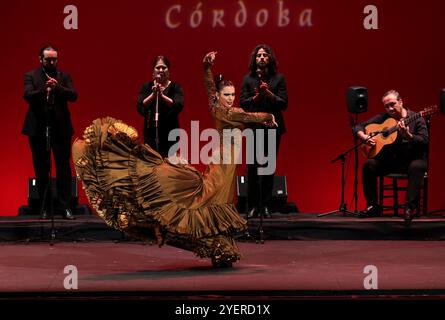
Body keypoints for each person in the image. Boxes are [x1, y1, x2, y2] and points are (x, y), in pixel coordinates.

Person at [72, 51, 276, 267]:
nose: (230, 98)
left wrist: (207, 68)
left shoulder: (218, 106)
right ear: (219, 95)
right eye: (226, 94)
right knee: (212, 198)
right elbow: (250, 117)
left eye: (232, 94)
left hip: (225, 162)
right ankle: (213, 243)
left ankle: (217, 246)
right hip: (223, 165)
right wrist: (269, 117)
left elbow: (209, 89)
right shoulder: (226, 112)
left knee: (215, 199)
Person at [353, 90, 428, 222]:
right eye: (386, 106)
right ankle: (373, 207)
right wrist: (363, 136)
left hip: (411, 160)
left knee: (417, 166)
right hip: (391, 161)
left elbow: (424, 141)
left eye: (393, 104)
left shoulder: (417, 118)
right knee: (369, 165)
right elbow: (358, 126)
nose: (390, 108)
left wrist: (409, 136)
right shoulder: (384, 118)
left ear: (401, 102)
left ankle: (409, 208)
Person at [22, 44, 77, 220]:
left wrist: (57, 88)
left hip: (61, 128)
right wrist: (43, 90)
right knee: (41, 168)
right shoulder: (31, 75)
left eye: (54, 59)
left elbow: (73, 95)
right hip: (37, 128)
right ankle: (44, 207)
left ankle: (65, 206)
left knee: (63, 168)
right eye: (48, 59)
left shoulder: (64, 76)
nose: (52, 62)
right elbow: (27, 96)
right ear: (41, 60)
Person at [240, 44, 288, 219]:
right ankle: (252, 206)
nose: (261, 58)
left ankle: (265, 205)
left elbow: (284, 103)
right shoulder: (248, 79)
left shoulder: (278, 79)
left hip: (272, 127)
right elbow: (243, 103)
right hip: (253, 127)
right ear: (255, 59)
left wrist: (268, 94)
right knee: (252, 167)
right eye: (258, 55)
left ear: (270, 58)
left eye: (264, 55)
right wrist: (256, 96)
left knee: (268, 167)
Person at [137, 55, 184, 158]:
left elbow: (178, 105)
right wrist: (153, 95)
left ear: (168, 71)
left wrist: (162, 96)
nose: (161, 70)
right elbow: (140, 106)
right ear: (153, 71)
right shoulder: (146, 87)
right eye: (158, 68)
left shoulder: (175, 87)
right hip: (150, 134)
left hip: (171, 135)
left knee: (169, 169)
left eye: (164, 67)